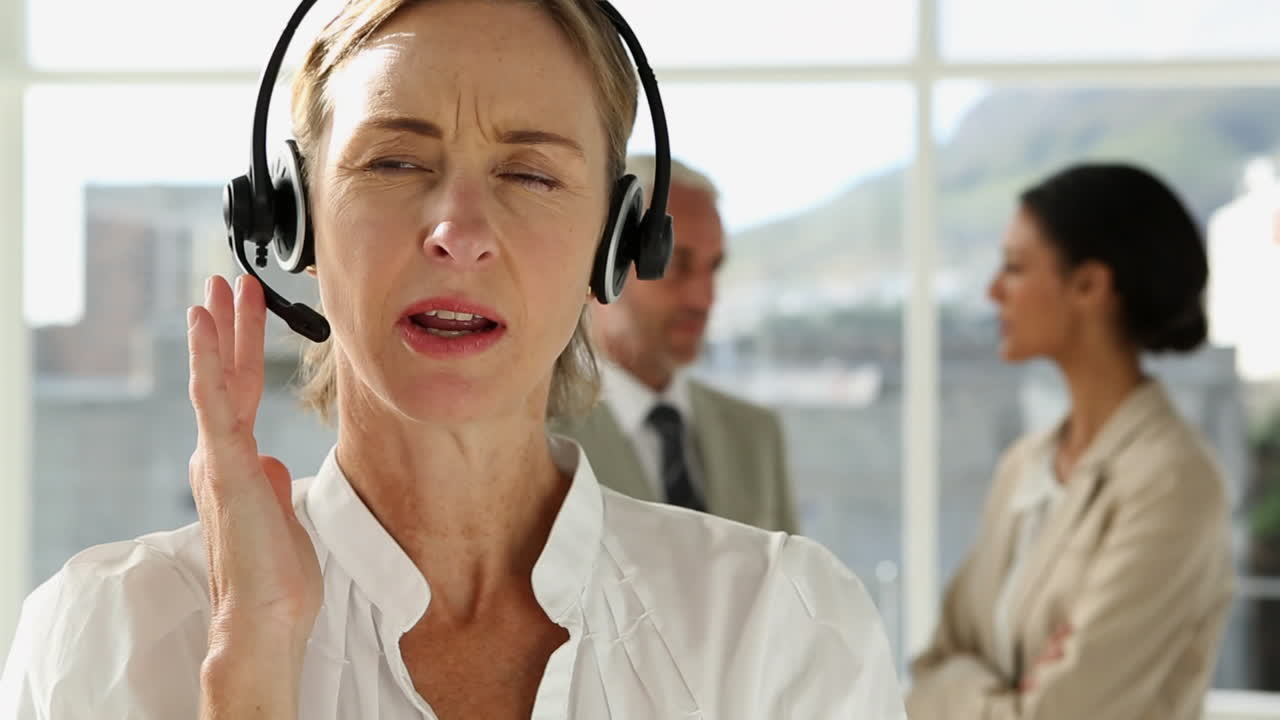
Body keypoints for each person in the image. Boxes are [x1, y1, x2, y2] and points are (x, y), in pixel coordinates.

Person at [0, 1, 906, 718]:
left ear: (617, 242)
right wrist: (250, 664)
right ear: (294, 221)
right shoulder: (107, 635)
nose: (458, 234)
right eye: (393, 163)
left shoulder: (784, 629)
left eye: (531, 174)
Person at [907, 163, 1234, 720]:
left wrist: (964, 686)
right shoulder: (1024, 465)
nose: (993, 292)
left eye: (1013, 268)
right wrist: (1002, 695)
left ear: (1089, 285)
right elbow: (928, 671)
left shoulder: (1175, 482)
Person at [557, 155, 798, 532]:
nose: (705, 298)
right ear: (608, 260)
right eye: (675, 263)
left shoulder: (757, 435)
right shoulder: (536, 437)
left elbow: (788, 588)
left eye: (713, 267)